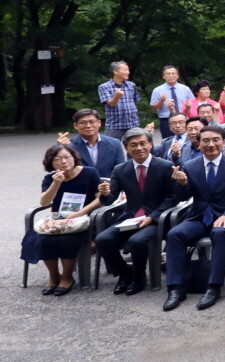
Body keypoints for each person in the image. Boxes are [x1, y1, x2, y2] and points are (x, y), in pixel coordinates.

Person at [163, 124, 225, 311]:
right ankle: (176, 288)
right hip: (199, 216)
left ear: (223, 142)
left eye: (216, 140)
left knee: (220, 233)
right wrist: (183, 183)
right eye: (206, 140)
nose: (211, 144)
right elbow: (182, 198)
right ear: (198, 143)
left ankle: (213, 287)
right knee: (174, 234)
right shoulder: (190, 165)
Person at [94, 128, 181, 294]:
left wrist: (153, 217)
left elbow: (172, 198)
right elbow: (111, 199)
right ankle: (125, 274)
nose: (139, 148)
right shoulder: (121, 169)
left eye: (143, 143)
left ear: (150, 144)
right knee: (102, 239)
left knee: (137, 241)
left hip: (158, 219)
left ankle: (139, 278)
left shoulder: (165, 166)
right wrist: (105, 194)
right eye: (133, 145)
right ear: (126, 148)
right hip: (131, 217)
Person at [21, 145, 102, 296]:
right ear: (51, 164)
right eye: (57, 160)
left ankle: (67, 277)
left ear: (74, 157)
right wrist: (56, 183)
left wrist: (80, 213)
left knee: (66, 240)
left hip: (83, 220)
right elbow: (44, 202)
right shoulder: (50, 178)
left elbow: (100, 199)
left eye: (67, 157)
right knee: (41, 239)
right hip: (58, 219)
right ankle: (53, 276)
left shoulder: (89, 173)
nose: (63, 162)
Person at [58, 109, 126, 179]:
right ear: (76, 126)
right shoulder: (69, 146)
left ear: (99, 123)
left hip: (109, 187)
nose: (88, 126)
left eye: (92, 122)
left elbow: (121, 171)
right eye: (83, 123)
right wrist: (61, 149)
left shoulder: (114, 144)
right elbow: (63, 172)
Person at [97, 61, 140, 139]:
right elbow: (111, 103)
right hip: (114, 124)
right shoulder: (104, 87)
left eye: (128, 70)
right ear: (115, 71)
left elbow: (135, 101)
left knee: (135, 147)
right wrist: (117, 96)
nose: (128, 72)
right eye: (125, 70)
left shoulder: (131, 85)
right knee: (111, 147)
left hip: (132, 123)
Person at [150, 66, 194, 137]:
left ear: (177, 76)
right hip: (166, 120)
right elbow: (153, 107)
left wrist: (188, 106)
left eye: (173, 73)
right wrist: (161, 101)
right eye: (168, 74)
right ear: (163, 76)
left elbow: (193, 104)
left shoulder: (185, 89)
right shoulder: (157, 90)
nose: (171, 76)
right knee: (168, 142)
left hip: (184, 119)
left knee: (186, 141)